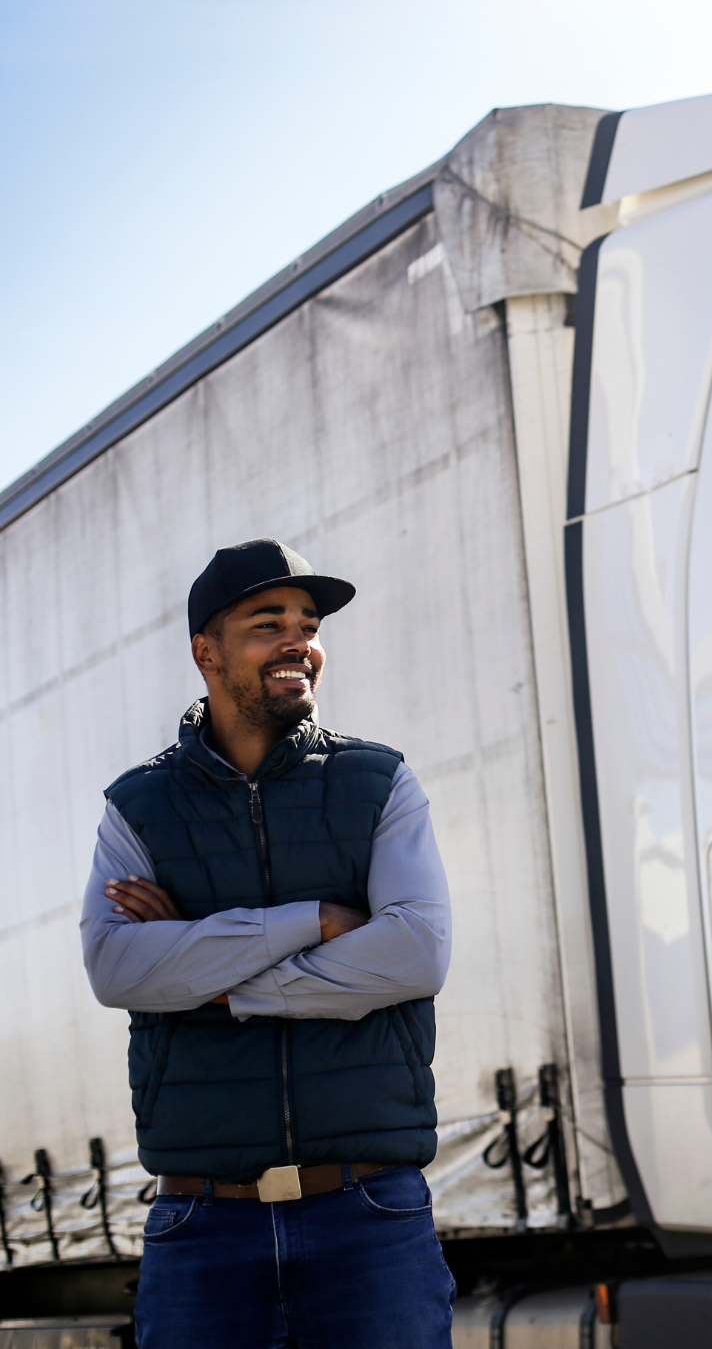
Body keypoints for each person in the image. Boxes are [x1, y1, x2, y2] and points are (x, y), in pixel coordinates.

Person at [80, 538, 454, 1349]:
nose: (299, 641)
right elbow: (115, 967)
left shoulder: (380, 782)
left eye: (309, 623)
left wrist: (204, 972)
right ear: (205, 651)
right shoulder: (137, 805)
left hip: (370, 1218)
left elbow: (416, 952)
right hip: (202, 1224)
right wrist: (310, 921)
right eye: (267, 623)